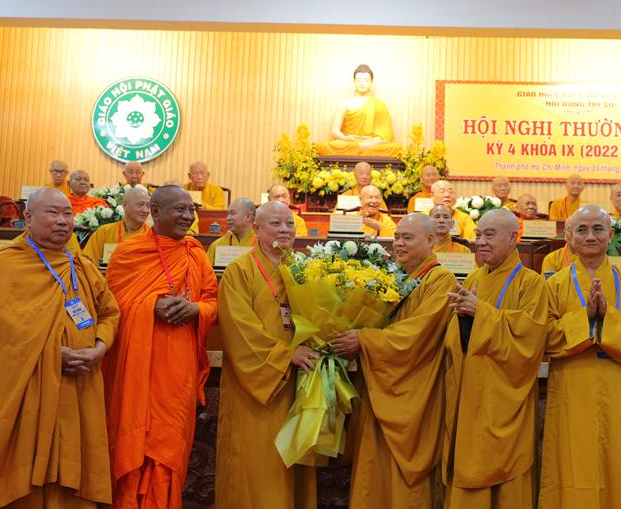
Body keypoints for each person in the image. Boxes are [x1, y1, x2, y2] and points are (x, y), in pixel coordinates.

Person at [0, 188, 119, 507]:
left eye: (67, 214)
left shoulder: (81, 264)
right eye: (53, 213)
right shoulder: (10, 264)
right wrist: (53, 355)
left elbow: (109, 312)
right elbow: (4, 336)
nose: (63, 221)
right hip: (28, 386)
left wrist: (98, 349)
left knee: (73, 465)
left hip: (79, 384)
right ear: (28, 218)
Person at [330, 213, 458, 508]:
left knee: (403, 480)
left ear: (431, 240)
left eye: (407, 238)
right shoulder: (394, 277)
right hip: (381, 383)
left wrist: (364, 340)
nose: (398, 243)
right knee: (372, 468)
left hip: (414, 390)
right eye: (397, 237)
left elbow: (418, 334)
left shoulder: (441, 280)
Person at [540, 204, 621, 509]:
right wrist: (585, 318)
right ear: (569, 236)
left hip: (616, 387)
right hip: (570, 386)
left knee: (616, 462)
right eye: (582, 230)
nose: (590, 236)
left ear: (611, 234)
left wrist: (609, 319)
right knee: (571, 463)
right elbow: (541, 335)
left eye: (598, 229)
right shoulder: (554, 285)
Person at [103, 185, 218, 508]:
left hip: (178, 369)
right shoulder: (129, 253)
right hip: (137, 367)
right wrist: (150, 305)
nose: (188, 216)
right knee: (133, 442)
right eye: (179, 209)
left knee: (168, 447)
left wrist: (196, 309)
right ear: (154, 212)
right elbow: (111, 306)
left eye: (191, 210)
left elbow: (213, 302)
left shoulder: (196, 253)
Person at [443, 209, 548, 508]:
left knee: (506, 472)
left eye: (489, 235)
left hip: (504, 397)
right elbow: (455, 337)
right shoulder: (474, 277)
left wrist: (481, 312)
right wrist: (462, 319)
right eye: (478, 235)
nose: (481, 242)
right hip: (469, 390)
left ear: (513, 238)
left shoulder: (532, 283)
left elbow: (531, 341)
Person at [216, 201, 317, 508]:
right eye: (275, 224)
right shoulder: (238, 272)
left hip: (298, 382)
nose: (285, 230)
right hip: (256, 387)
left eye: (289, 224)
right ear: (256, 229)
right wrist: (286, 355)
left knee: (292, 466)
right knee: (256, 467)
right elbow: (239, 331)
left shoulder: (303, 269)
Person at [316, 64, 400, 157]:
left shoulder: (380, 105)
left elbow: (387, 136)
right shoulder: (345, 103)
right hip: (350, 142)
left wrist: (373, 140)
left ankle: (362, 147)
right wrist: (346, 139)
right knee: (322, 146)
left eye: (366, 80)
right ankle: (363, 148)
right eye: (359, 80)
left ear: (371, 82)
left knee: (395, 148)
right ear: (354, 82)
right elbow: (334, 131)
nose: (362, 83)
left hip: (371, 142)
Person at [82, 186, 150, 264]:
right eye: (140, 205)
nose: (145, 210)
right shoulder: (104, 232)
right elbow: (87, 263)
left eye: (148, 206)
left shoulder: (152, 236)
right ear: (125, 205)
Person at [207, 197, 257, 265]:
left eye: (232, 213)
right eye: (227, 214)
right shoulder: (217, 246)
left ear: (248, 216)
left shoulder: (263, 245)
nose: (228, 218)